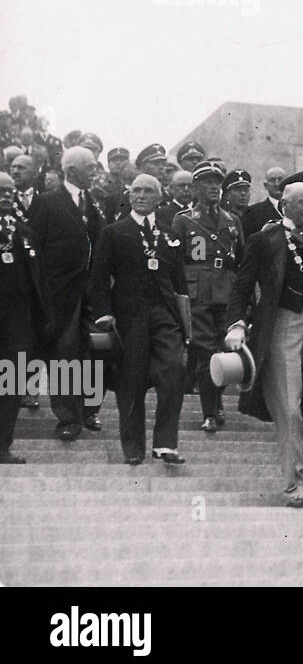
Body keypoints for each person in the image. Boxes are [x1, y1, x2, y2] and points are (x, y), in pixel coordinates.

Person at [224, 181, 303, 507]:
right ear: (285, 205)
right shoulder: (264, 239)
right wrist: (237, 324)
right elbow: (241, 286)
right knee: (289, 410)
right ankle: (294, 481)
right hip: (282, 326)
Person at [87, 174, 189, 466]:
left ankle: (166, 444)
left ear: (159, 198)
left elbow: (180, 284)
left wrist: (185, 323)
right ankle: (133, 447)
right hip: (129, 314)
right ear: (130, 197)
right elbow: (97, 279)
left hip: (164, 313)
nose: (141, 196)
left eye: (148, 191)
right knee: (131, 380)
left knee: (172, 370)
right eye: (137, 191)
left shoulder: (170, 234)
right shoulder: (115, 232)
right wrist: (103, 313)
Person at [28, 145, 104, 439]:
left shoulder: (92, 203)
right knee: (65, 353)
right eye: (90, 167)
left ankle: (89, 411)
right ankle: (68, 418)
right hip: (59, 295)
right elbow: (33, 249)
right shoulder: (47, 203)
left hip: (90, 294)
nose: (95, 171)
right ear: (71, 170)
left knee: (95, 351)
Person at [172, 161, 244, 433]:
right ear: (195, 189)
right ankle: (209, 411)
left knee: (226, 351)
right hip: (197, 293)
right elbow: (175, 262)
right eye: (207, 183)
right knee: (204, 353)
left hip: (226, 292)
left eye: (217, 183)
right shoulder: (184, 219)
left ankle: (217, 399)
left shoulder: (232, 221)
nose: (214, 188)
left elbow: (241, 261)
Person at [0, 172, 44, 463]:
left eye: (9, 191)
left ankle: (3, 445)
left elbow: (37, 279)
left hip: (17, 319)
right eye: (0, 191)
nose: (5, 196)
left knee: (12, 382)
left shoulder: (25, 232)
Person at [243, 166, 287, 233]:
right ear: (265, 186)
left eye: (280, 179)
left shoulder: (297, 209)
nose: (277, 184)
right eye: (272, 180)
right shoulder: (252, 213)